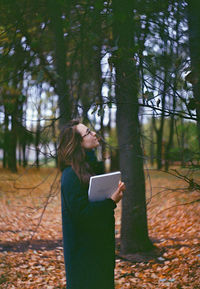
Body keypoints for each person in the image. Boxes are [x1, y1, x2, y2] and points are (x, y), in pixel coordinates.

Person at [58, 119, 125, 289]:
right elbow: (81, 214)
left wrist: (112, 193)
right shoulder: (70, 176)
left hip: (100, 252)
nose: (94, 133)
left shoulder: (92, 169)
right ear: (78, 142)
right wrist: (111, 201)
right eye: (88, 132)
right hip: (83, 259)